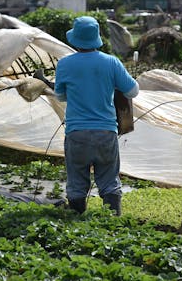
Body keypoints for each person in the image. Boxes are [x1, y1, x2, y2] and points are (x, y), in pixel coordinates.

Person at [54, 16, 139, 215]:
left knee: (76, 182)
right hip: (105, 131)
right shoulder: (111, 62)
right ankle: (112, 221)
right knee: (109, 181)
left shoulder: (65, 64)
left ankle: (77, 222)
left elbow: (60, 96)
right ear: (96, 38)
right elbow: (133, 91)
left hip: (77, 133)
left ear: (75, 40)